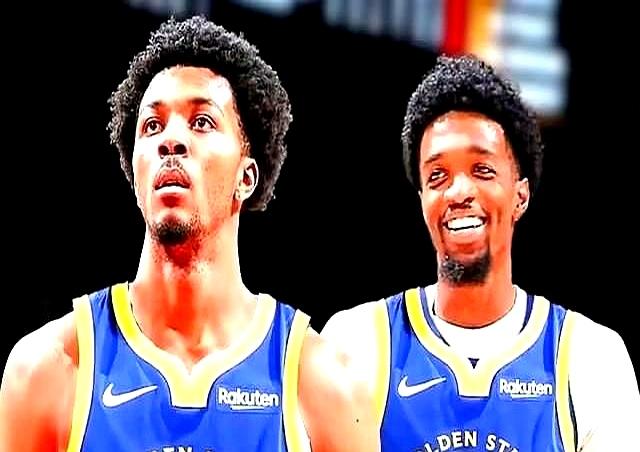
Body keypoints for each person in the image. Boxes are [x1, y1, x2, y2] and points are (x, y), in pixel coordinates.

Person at [0, 15, 378, 452]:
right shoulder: (48, 370)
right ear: (134, 173)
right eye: (152, 125)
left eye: (201, 121)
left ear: (246, 177)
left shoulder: (324, 384)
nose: (171, 140)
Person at [321, 54, 640, 451]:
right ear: (422, 201)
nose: (458, 192)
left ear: (520, 195)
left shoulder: (591, 358)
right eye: (438, 176)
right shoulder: (355, 344)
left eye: (482, 170)